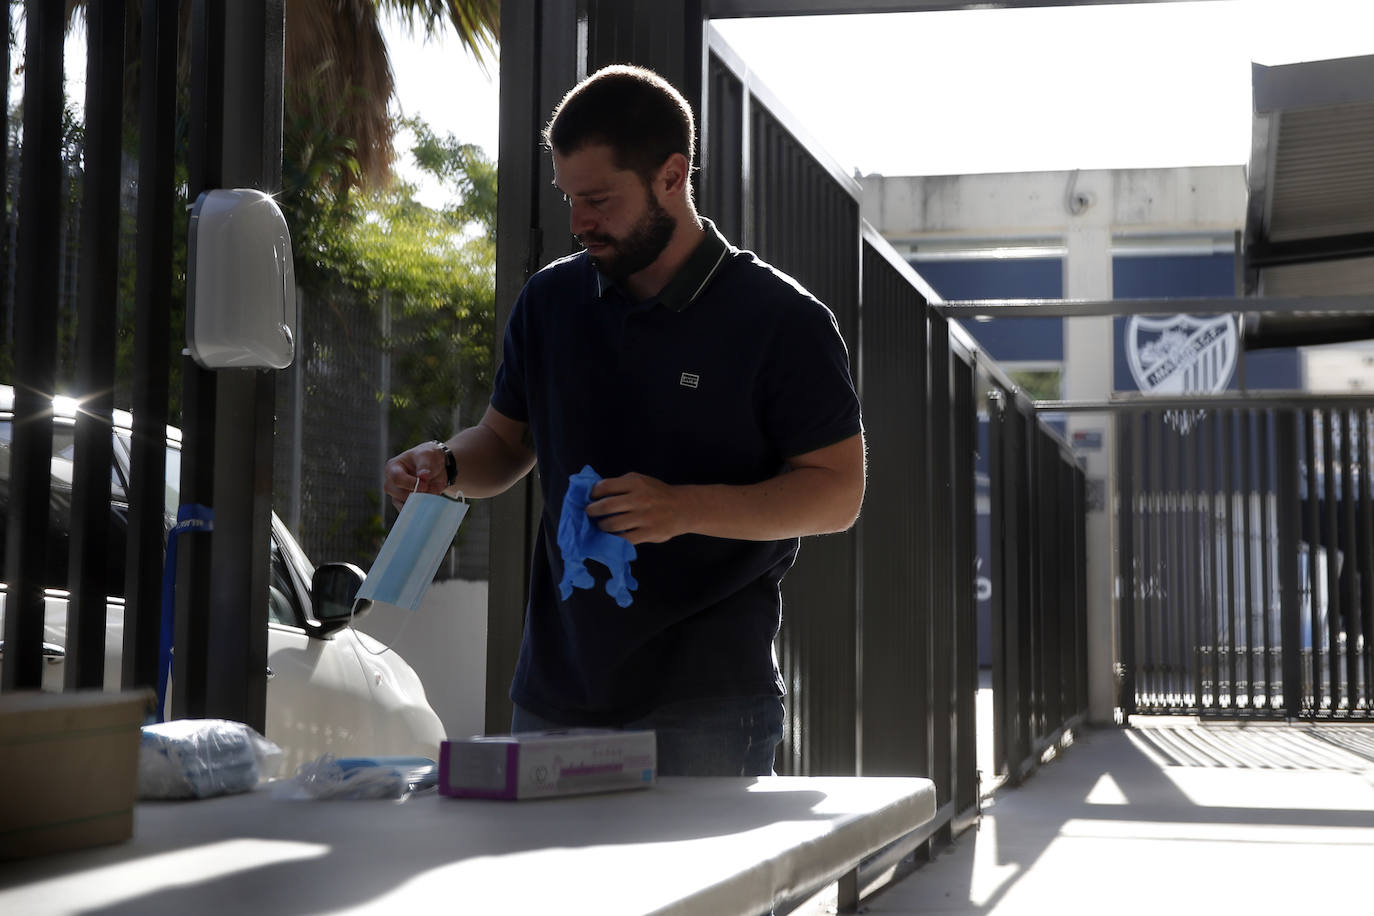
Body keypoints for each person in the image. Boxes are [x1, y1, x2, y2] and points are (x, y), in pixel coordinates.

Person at [383, 64, 865, 777]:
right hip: (553, 695)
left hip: (710, 706)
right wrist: (447, 466)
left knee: (700, 896)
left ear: (672, 176)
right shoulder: (549, 301)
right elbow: (503, 443)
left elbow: (838, 492)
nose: (579, 222)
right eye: (570, 198)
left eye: (600, 199)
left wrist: (681, 508)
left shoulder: (781, 320)